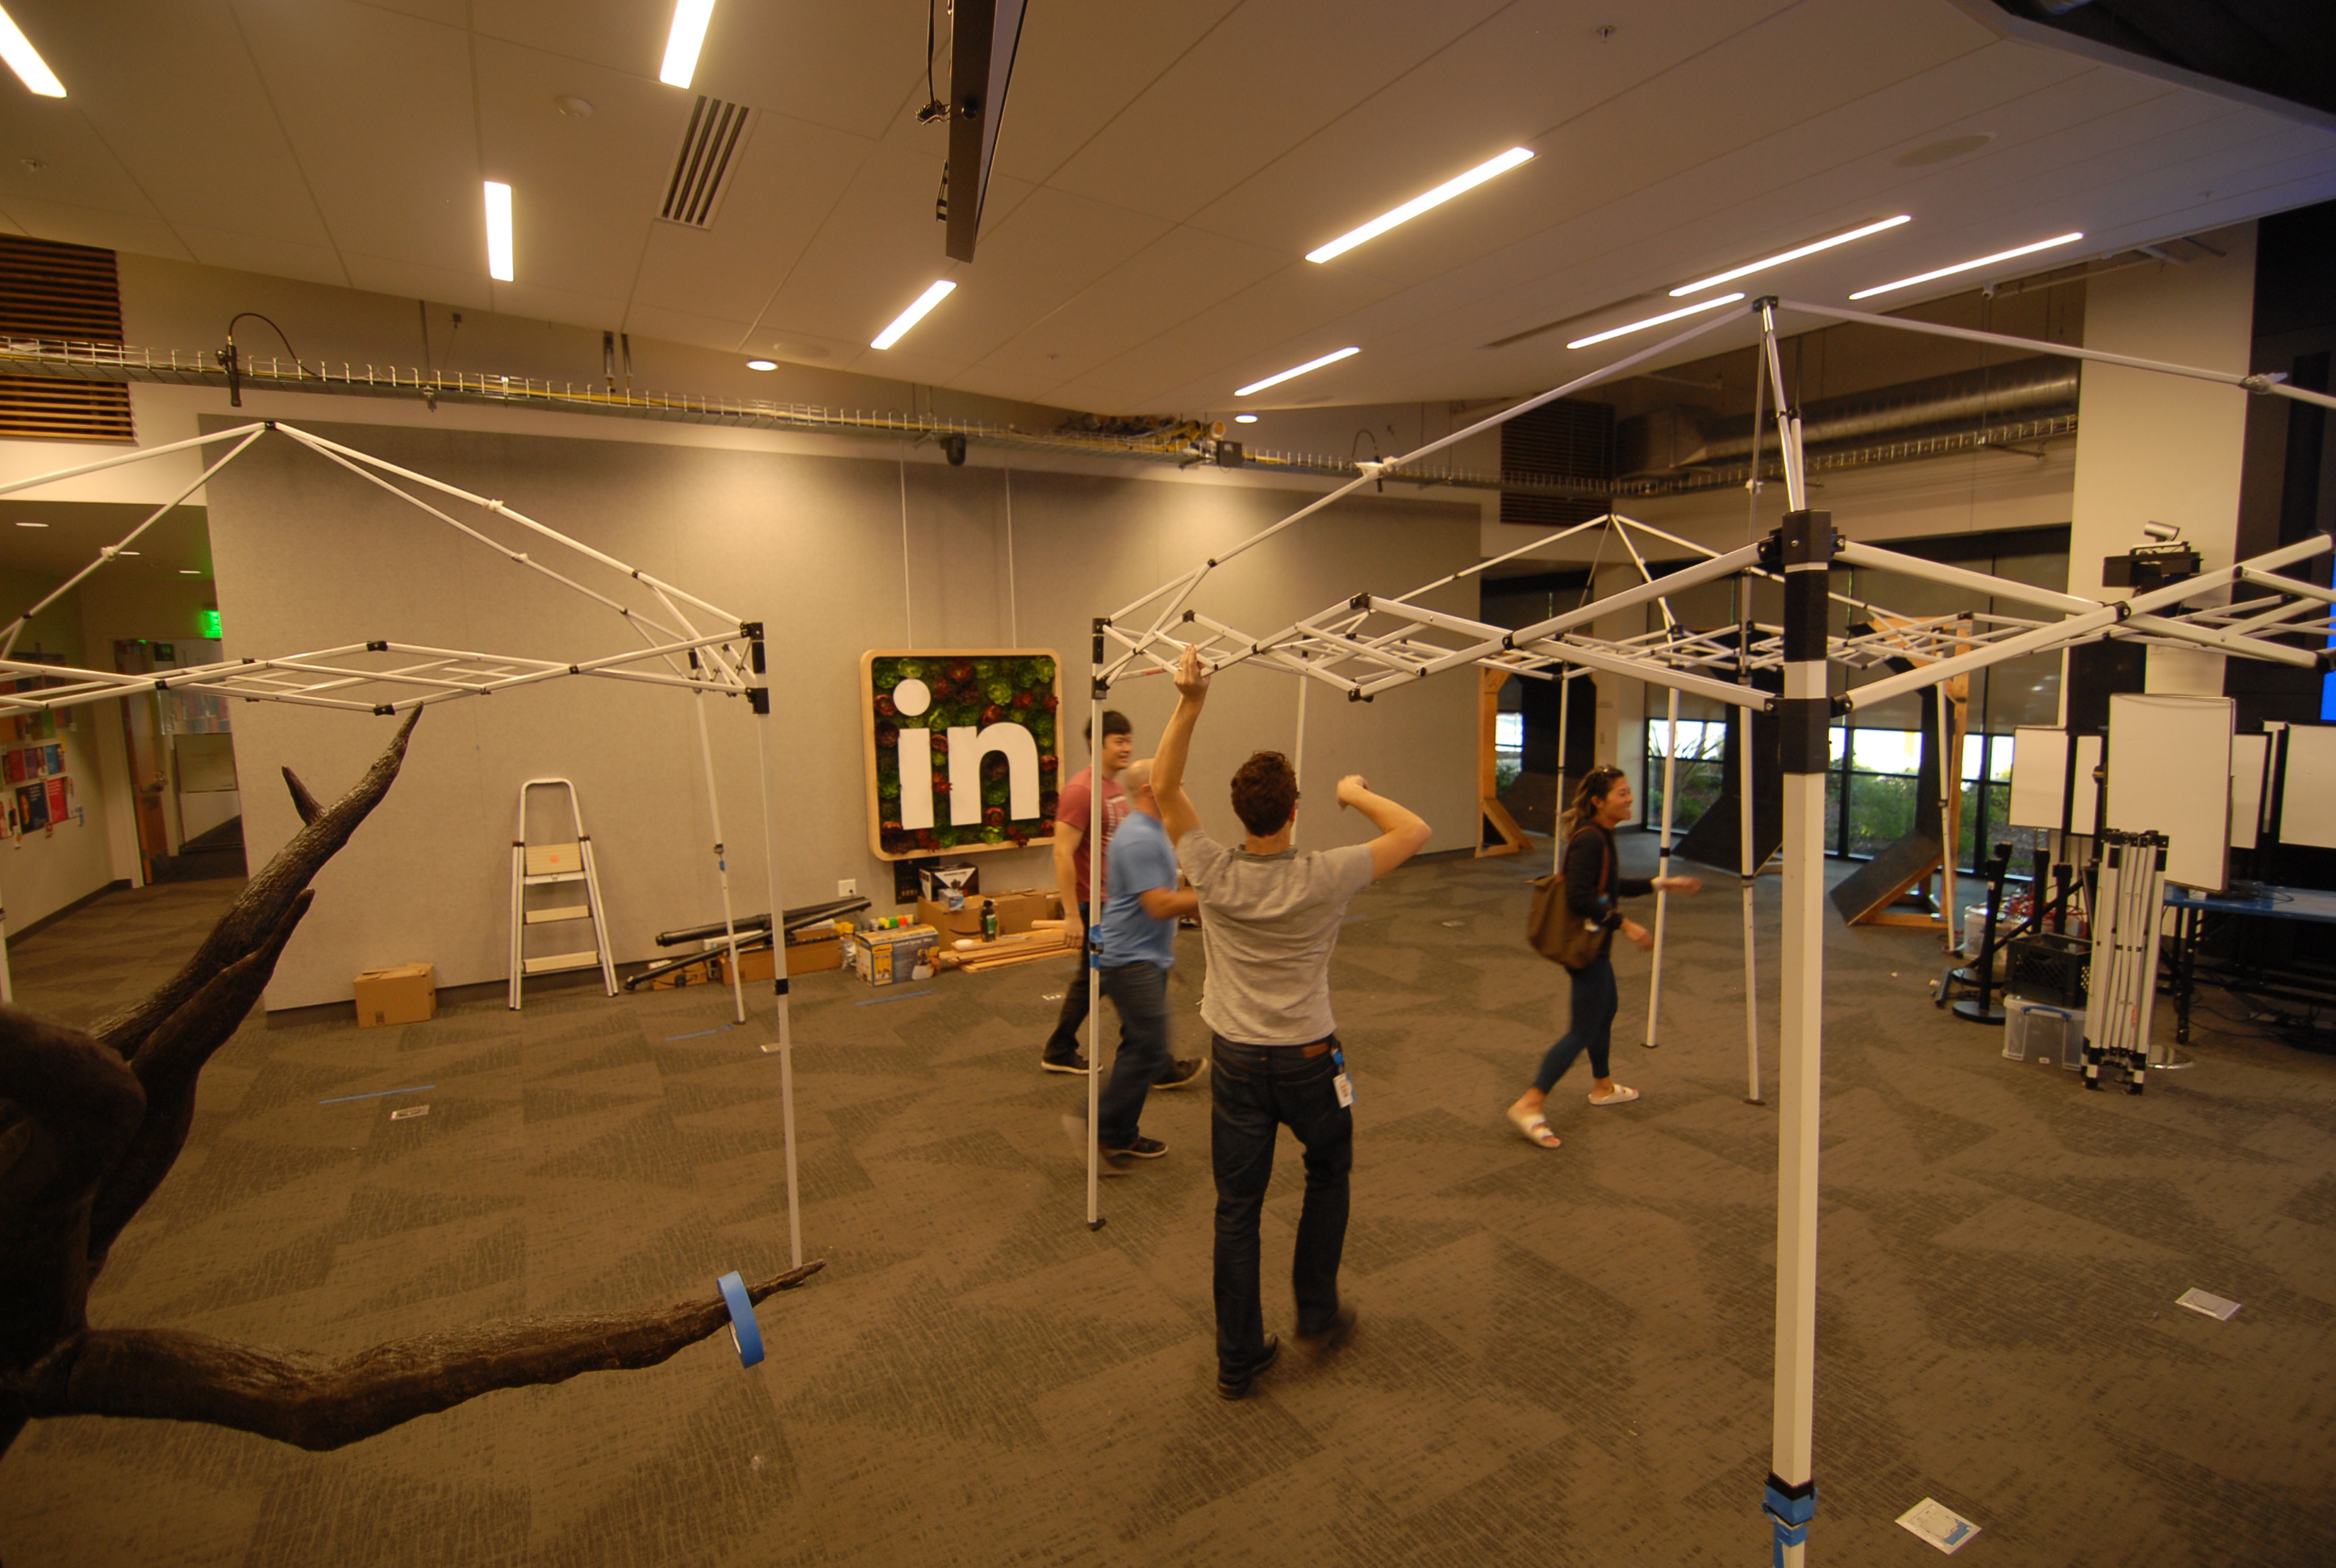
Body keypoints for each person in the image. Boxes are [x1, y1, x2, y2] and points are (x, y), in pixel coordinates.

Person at [1151, 644, 1433, 1400]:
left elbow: (1162, 784)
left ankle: (1237, 1360)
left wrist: (1191, 701)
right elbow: (1414, 831)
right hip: (1310, 1059)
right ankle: (1316, 1310)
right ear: (1294, 809)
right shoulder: (1325, 873)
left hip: (1237, 1062)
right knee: (1328, 1173)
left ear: (1239, 812)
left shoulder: (1210, 868)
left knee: (1236, 1211)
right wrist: (1355, 792)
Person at [1506, 765, 1700, 1150]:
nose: (1630, 798)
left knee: (1605, 1010)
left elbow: (1608, 885)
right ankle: (1530, 1103)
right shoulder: (1591, 840)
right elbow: (1579, 897)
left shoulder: (1602, 835)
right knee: (1582, 1029)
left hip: (1595, 945)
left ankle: (1603, 1087)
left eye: (1629, 791)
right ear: (1599, 802)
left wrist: (1661, 884)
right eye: (1621, 793)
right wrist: (1626, 925)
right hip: (1585, 946)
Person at [1091, 759, 1208, 1161]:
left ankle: (1119, 1135)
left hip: (1145, 955)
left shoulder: (1154, 829)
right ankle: (1098, 1126)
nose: (1180, 786)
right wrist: (1213, 893)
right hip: (1129, 960)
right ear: (1148, 789)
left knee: (1139, 1046)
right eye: (1172, 781)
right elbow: (1158, 905)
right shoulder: (1138, 837)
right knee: (1149, 1047)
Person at [1042, 709, 1132, 1073]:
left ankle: (1059, 1049)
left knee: (1098, 978)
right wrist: (1071, 916)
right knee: (1119, 977)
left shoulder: (1114, 788)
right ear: (1097, 743)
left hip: (1116, 900)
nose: (1127, 748)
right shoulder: (1082, 790)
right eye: (1119, 741)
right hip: (1096, 905)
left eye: (1129, 740)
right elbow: (1062, 852)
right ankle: (1152, 1059)